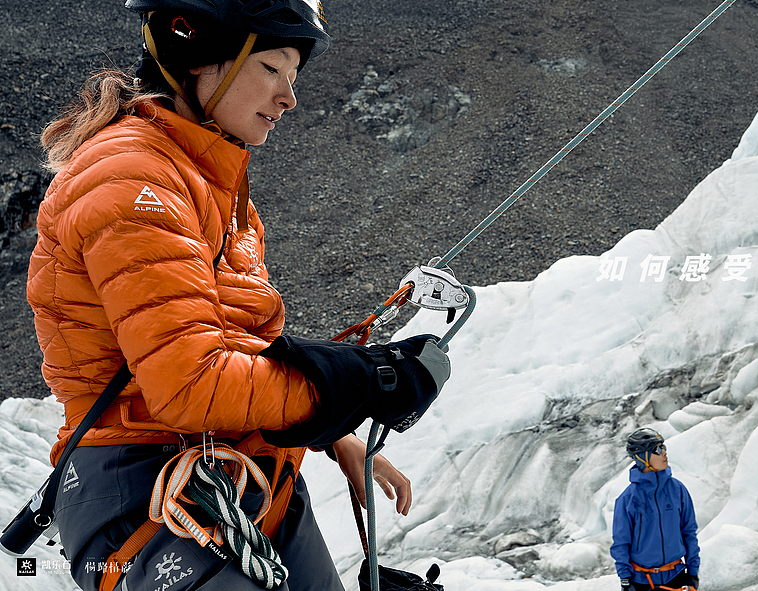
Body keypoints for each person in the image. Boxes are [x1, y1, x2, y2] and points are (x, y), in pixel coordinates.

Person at [27, 1, 450, 589]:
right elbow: (190, 383)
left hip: (242, 476)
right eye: (273, 69)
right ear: (196, 51)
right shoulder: (130, 178)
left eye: (293, 77)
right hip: (146, 485)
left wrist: (336, 432)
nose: (288, 97)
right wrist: (358, 382)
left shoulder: (212, 183)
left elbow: (238, 342)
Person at [610, 428, 701, 591]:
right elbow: (621, 543)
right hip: (641, 582)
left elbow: (689, 532)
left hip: (676, 577)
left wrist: (693, 573)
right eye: (657, 450)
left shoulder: (678, 490)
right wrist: (625, 579)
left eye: (663, 447)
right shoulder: (627, 499)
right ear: (642, 457)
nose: (664, 453)